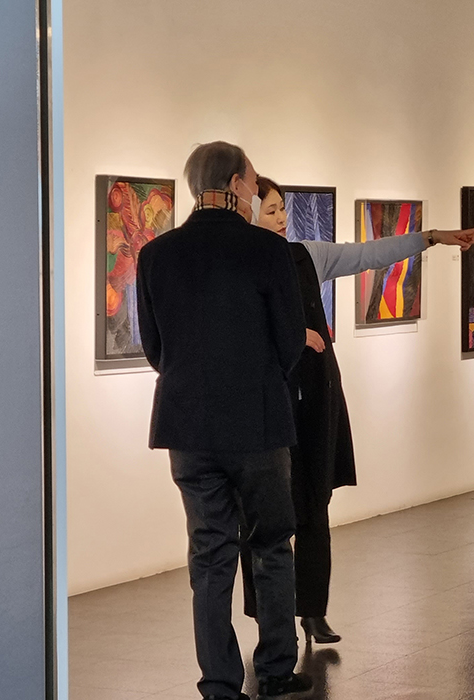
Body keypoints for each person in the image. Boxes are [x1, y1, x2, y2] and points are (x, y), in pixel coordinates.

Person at [239, 176, 474, 645]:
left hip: (315, 394)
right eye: (270, 211)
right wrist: (289, 337)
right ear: (248, 214)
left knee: (314, 505)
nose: (282, 219)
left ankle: (312, 610)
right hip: (267, 400)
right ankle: (269, 617)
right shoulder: (239, 267)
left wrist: (431, 237)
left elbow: (368, 254)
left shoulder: (306, 256)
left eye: (283, 209)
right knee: (263, 513)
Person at [135, 142, 311, 700]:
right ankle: (276, 669)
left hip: (187, 429)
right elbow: (290, 342)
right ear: (235, 184)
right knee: (271, 545)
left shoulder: (156, 254)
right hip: (257, 424)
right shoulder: (267, 250)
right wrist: (258, 379)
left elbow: (155, 349)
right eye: (254, 183)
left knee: (209, 556)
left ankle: (218, 683)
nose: (257, 192)